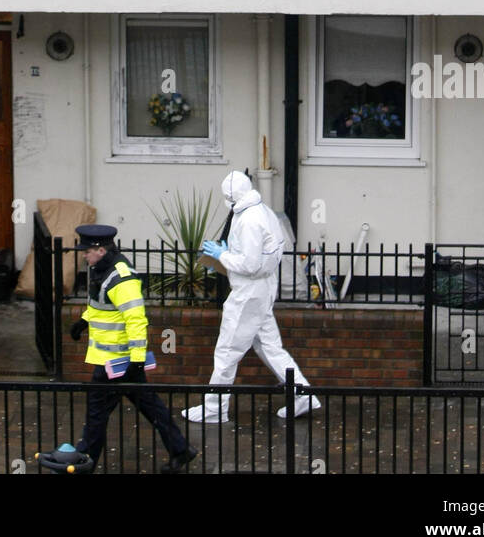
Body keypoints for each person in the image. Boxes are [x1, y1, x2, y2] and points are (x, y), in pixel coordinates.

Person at [183, 171, 319, 423]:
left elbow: (250, 264)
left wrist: (222, 256)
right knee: (270, 347)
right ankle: (302, 394)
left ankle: (214, 408)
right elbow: (259, 258)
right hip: (262, 290)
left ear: (230, 196)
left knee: (227, 351)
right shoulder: (261, 211)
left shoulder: (248, 220)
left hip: (248, 293)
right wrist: (227, 254)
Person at [71, 224, 197, 474]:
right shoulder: (101, 270)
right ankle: (181, 450)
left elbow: (136, 320)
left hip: (117, 362)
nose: (83, 255)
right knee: (149, 406)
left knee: (97, 412)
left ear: (100, 249)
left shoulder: (121, 278)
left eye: (87, 251)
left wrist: (137, 359)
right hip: (118, 361)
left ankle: (86, 461)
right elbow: (101, 306)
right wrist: (84, 321)